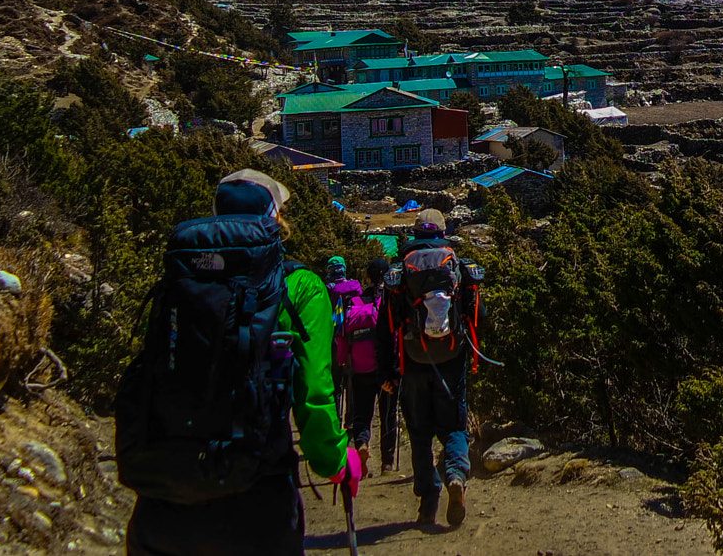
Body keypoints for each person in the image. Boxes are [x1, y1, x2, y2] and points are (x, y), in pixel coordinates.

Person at [121, 169, 359, 556]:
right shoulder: (298, 286)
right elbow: (314, 392)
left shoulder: (181, 279)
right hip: (257, 499)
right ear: (275, 218)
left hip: (164, 498)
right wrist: (335, 461)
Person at [382, 209, 484, 529]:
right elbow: (475, 312)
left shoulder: (400, 269)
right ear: (443, 230)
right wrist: (474, 355)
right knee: (454, 424)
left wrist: (389, 371)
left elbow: (387, 324)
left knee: (419, 431)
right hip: (451, 358)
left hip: (412, 360)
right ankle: (455, 474)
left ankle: (428, 501)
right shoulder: (455, 263)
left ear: (416, 232)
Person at [327, 255, 400, 474]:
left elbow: (342, 335)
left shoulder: (354, 302)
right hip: (385, 368)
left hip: (359, 368)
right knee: (388, 413)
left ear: (367, 277)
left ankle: (361, 443)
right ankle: (387, 462)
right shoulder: (388, 303)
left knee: (361, 413)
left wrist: (342, 361)